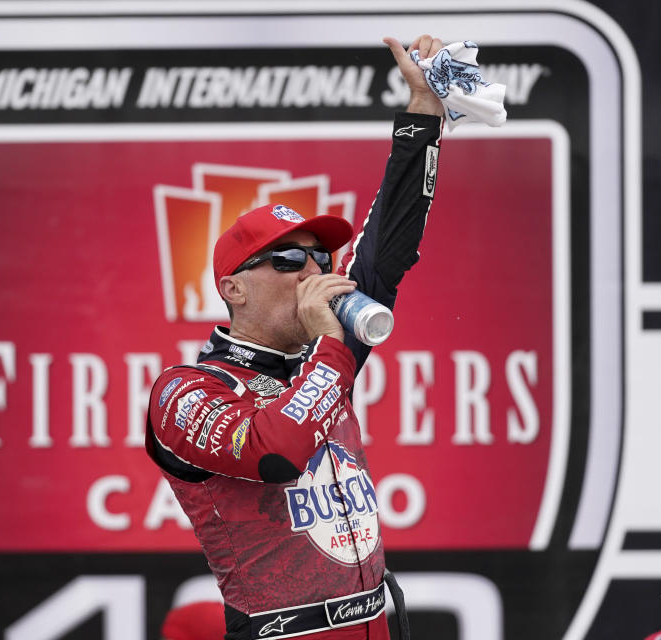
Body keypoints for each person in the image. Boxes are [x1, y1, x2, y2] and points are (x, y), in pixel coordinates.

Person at [146, 34, 445, 640]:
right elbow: (276, 451)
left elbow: (386, 253)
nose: (314, 271)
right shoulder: (184, 392)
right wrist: (333, 347)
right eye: (286, 260)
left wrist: (423, 116)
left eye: (320, 258)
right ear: (233, 289)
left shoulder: (320, 358)